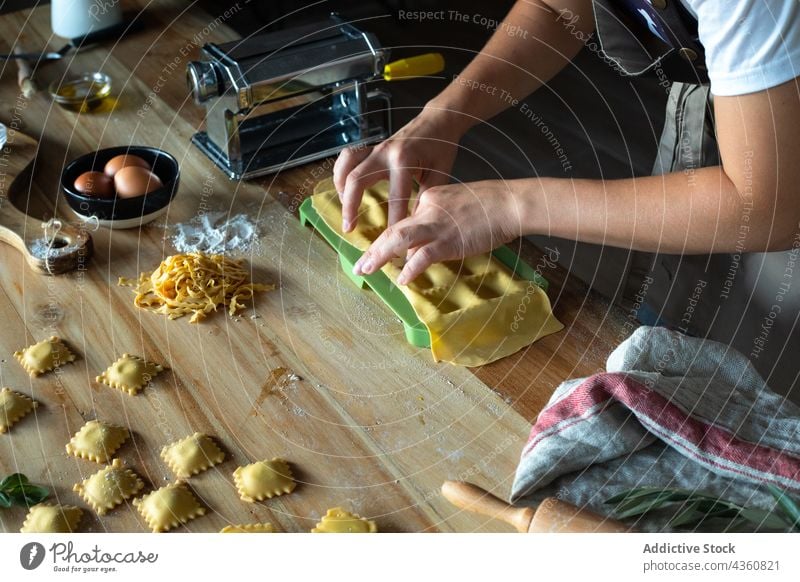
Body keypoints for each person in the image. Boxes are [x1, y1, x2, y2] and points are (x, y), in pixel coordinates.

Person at [332, 0, 800, 397]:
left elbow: (766, 209)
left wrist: (512, 206)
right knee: (672, 313)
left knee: (770, 351)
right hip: (734, 99)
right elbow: (557, 9)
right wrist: (442, 117)